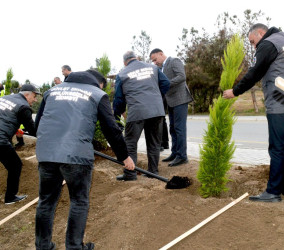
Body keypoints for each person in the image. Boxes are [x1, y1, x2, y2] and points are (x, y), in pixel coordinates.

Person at [34, 70, 135, 250]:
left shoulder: (52, 92)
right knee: (79, 201)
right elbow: (111, 128)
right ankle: (74, 247)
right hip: (76, 156)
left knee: (46, 201)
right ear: (98, 83)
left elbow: (38, 124)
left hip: (46, 154)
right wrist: (125, 156)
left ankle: (43, 246)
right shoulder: (97, 94)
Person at [223, 23, 284, 202]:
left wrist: (235, 91)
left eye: (253, 42)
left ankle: (273, 192)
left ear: (260, 33)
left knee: (277, 148)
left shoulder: (268, 43)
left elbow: (255, 72)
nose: (254, 46)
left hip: (279, 101)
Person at [113, 51, 170, 181]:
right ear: (137, 58)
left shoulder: (122, 74)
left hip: (137, 111)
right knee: (154, 143)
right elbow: (166, 83)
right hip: (156, 110)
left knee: (130, 144)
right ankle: (153, 172)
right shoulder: (153, 68)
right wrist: (155, 97)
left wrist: (120, 113)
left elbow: (118, 99)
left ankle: (130, 174)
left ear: (124, 62)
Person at [149, 48, 193, 167]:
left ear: (161, 54)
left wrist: (166, 84)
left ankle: (182, 156)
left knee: (179, 128)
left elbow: (181, 76)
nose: (154, 62)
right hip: (171, 101)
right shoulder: (160, 67)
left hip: (180, 99)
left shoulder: (174, 61)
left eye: (155, 59)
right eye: (152, 61)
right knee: (172, 128)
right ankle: (175, 153)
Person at [0, 84, 39, 204]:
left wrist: (14, 127)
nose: (35, 99)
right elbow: (33, 130)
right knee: (15, 165)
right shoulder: (24, 107)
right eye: (34, 96)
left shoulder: (5, 98)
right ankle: (10, 197)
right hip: (0, 140)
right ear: (27, 94)